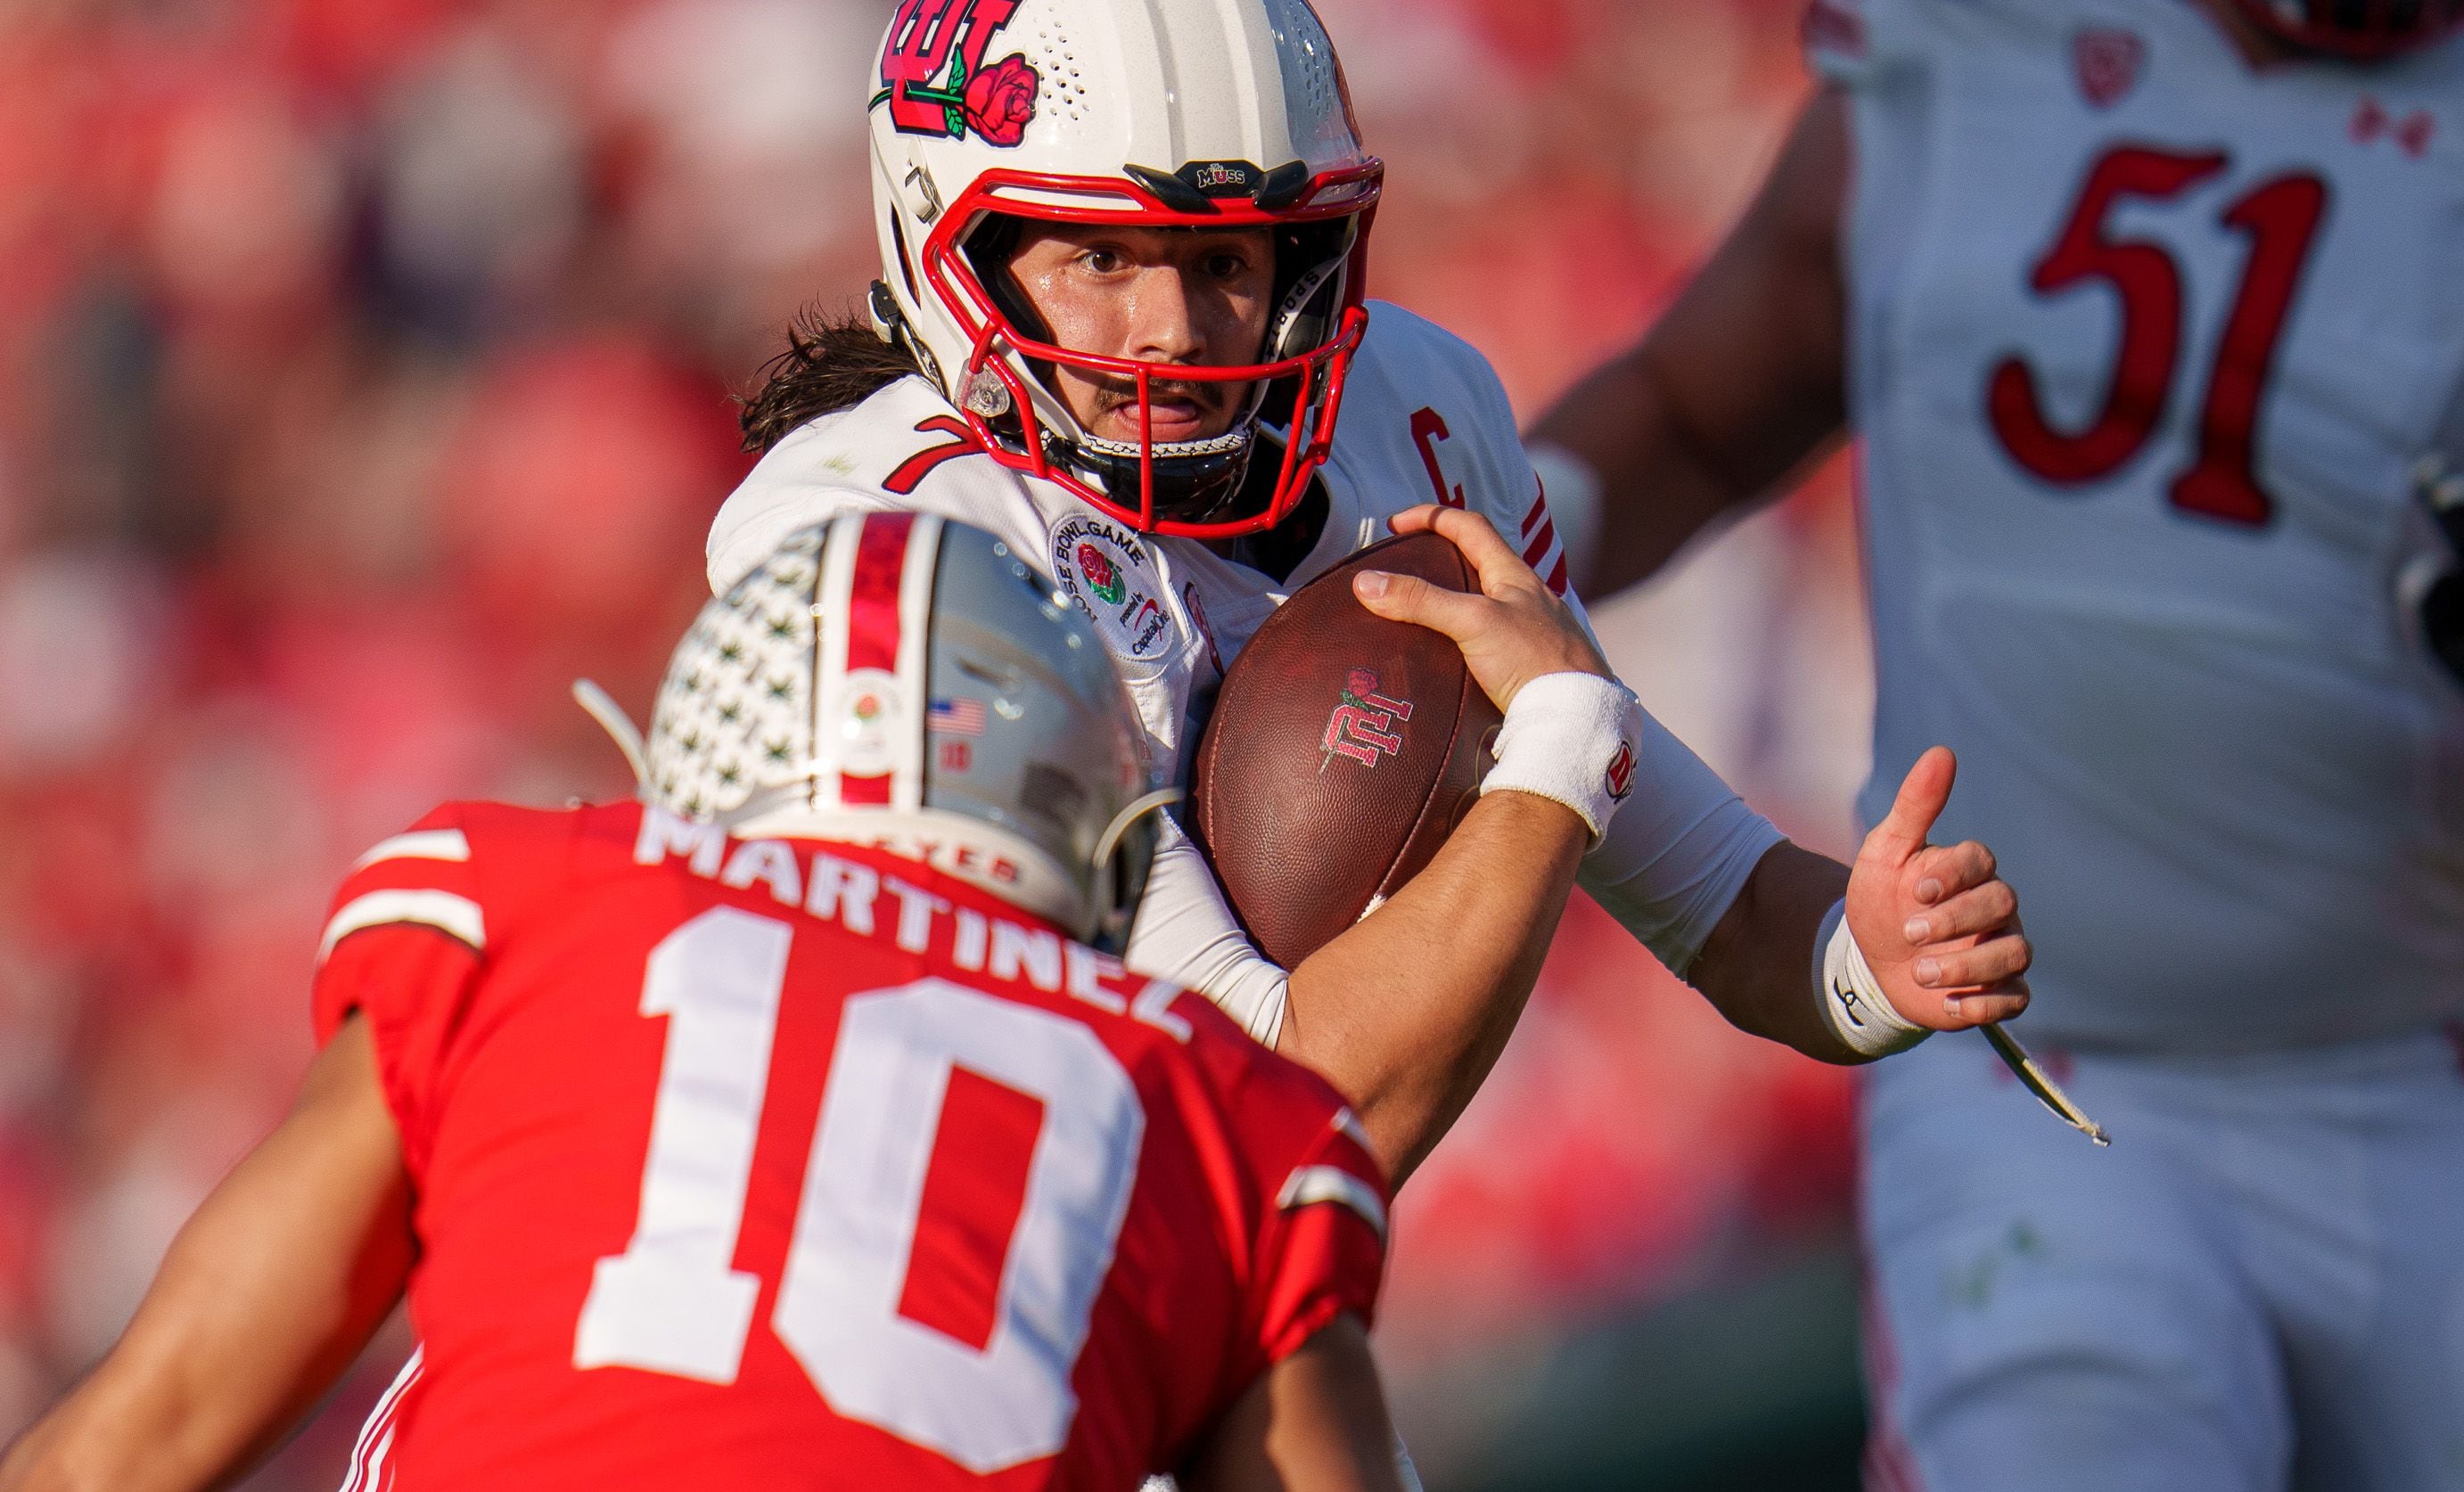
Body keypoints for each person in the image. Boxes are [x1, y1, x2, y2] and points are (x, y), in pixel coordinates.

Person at [713, 0, 2034, 1145]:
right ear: (949, 241)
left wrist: (1871, 955)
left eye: (1227, 259)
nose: (1174, 331)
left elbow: (1734, 914)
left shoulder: (1403, 410)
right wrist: (1560, 749)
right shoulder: (896, 546)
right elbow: (1273, 1124)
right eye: (1103, 258)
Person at [1532, 0, 2464, 1487]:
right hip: (2046, 1077)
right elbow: (1696, 410)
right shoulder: (1966, 11)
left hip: (2446, 1078)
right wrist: (1465, 551)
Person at [0, 510, 1623, 1491]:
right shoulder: (1216, 1108)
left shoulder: (538, 906)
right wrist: (1555, 750)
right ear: (1091, 823)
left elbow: (151, 1430)